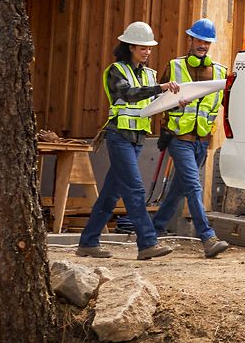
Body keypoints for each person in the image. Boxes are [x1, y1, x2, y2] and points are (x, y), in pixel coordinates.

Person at [77, 22, 179, 260]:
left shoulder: (149, 74)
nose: (147, 51)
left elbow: (153, 102)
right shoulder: (117, 71)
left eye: (149, 48)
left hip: (137, 139)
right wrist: (160, 88)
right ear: (130, 47)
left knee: (111, 194)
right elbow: (129, 95)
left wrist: (173, 99)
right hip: (118, 136)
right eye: (142, 47)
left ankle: (88, 242)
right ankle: (147, 243)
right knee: (135, 190)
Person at [151, 18, 232, 258]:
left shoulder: (220, 72)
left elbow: (223, 103)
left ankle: (153, 230)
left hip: (202, 140)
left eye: (207, 42)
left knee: (179, 188)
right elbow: (159, 100)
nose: (203, 45)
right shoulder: (174, 66)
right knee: (194, 185)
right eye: (199, 40)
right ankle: (207, 237)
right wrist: (175, 103)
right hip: (179, 138)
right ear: (190, 39)